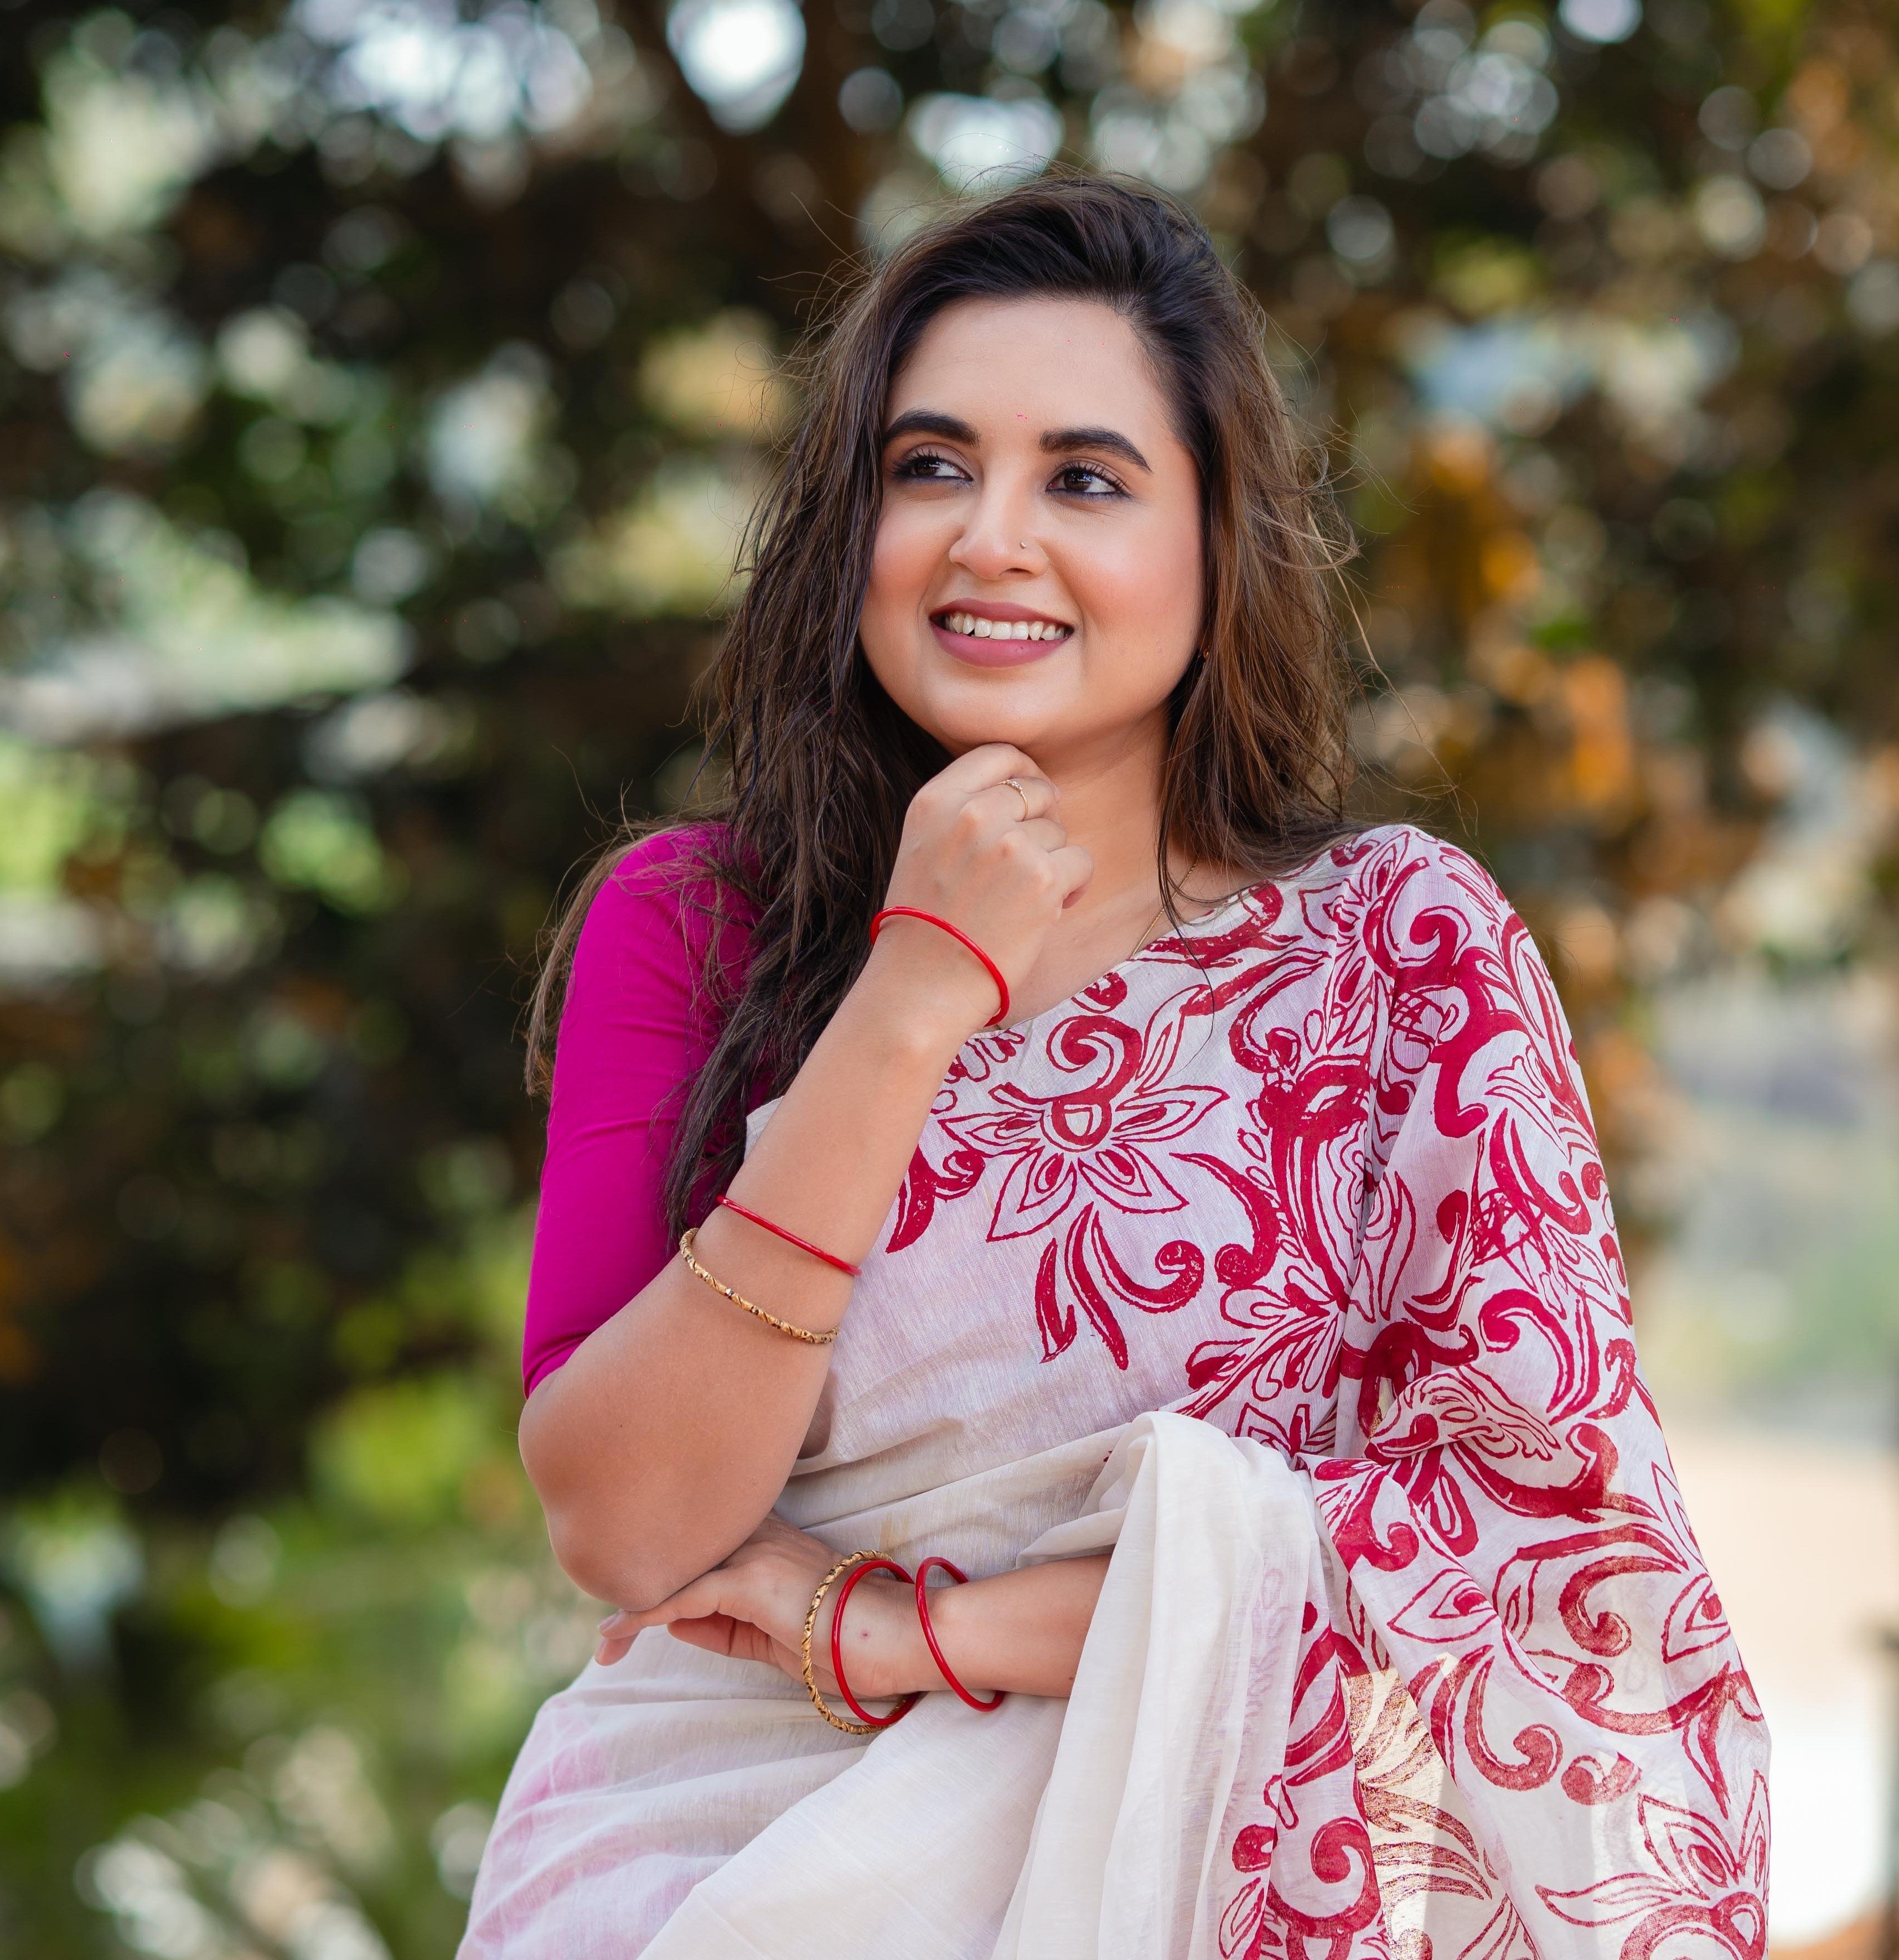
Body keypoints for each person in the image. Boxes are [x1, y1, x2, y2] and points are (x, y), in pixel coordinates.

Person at [464, 175, 1770, 1959]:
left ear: (1216, 544)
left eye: (1085, 480)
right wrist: (912, 995)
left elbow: (1533, 1558)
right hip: (687, 1885)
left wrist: (911, 1634)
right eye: (930, 467)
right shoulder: (694, 927)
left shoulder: (1393, 956)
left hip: (1200, 1876)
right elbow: (626, 1527)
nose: (990, 539)